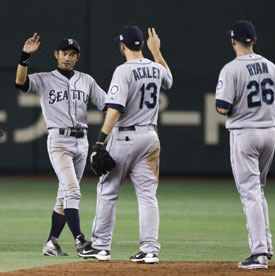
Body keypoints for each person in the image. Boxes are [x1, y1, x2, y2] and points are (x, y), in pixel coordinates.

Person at [78, 26, 172, 262]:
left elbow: (115, 109)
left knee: (107, 191)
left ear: (122, 46)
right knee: (148, 196)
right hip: (150, 138)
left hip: (125, 137)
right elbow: (168, 80)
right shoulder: (154, 67)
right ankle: (150, 250)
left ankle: (100, 246)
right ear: (142, 45)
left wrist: (99, 143)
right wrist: (156, 52)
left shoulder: (123, 70)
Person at [15, 33, 106, 256]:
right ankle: (80, 241)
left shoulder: (86, 80)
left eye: (72, 54)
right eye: (64, 53)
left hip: (82, 141)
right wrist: (25, 56)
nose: (67, 57)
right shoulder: (44, 78)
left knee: (63, 196)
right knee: (73, 191)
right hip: (59, 141)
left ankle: (51, 243)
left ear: (77, 57)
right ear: (56, 54)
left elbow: (108, 104)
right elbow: (21, 83)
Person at [215, 20, 275, 270]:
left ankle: (258, 254)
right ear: (254, 40)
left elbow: (222, 107)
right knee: (259, 190)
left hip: (245, 134)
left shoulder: (231, 69)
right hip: (269, 133)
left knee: (251, 193)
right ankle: (265, 245)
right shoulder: (271, 65)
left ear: (233, 41)